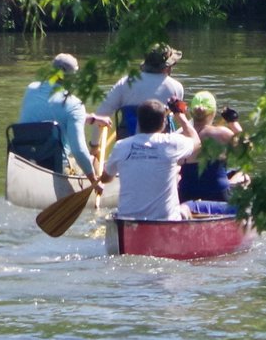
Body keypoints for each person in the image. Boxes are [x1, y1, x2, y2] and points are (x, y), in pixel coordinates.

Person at [99, 99, 202, 222]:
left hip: (127, 221)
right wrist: (180, 115)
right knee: (187, 207)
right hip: (165, 221)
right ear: (163, 122)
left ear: (139, 121)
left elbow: (105, 179)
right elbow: (196, 141)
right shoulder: (171, 143)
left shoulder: (120, 146)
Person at [11, 52, 97, 180]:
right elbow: (79, 151)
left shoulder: (31, 89)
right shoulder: (75, 105)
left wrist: (90, 118)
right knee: (94, 160)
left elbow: (50, 110)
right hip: (56, 167)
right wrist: (94, 180)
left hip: (25, 161)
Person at [94, 46, 187, 136]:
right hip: (162, 145)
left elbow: (101, 115)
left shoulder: (125, 83)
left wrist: (94, 146)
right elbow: (177, 117)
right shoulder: (176, 87)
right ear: (167, 67)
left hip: (127, 141)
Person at [179, 91, 251, 204]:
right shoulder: (221, 133)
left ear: (192, 112)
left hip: (187, 193)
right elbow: (246, 149)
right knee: (243, 174)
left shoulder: (180, 136)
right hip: (218, 194)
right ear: (213, 112)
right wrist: (233, 122)